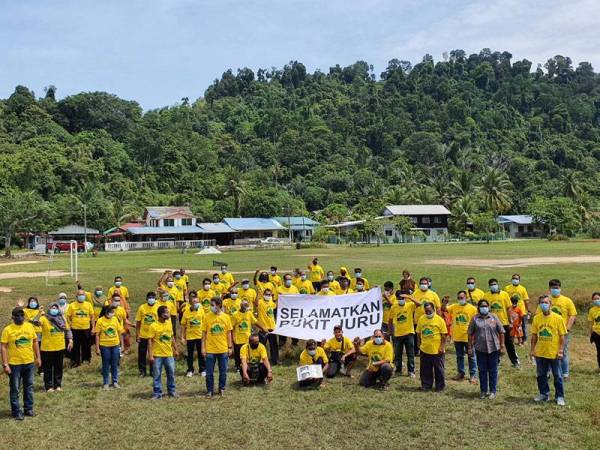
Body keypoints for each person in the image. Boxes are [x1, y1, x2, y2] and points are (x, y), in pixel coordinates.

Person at [1, 307, 41, 420]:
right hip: (14, 365)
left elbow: (35, 342)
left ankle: (28, 409)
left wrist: (38, 357)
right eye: (17, 316)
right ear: (13, 317)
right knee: (15, 388)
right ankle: (16, 411)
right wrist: (5, 364)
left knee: (29, 387)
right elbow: (3, 347)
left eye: (22, 315)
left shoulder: (29, 326)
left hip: (29, 363)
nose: (20, 318)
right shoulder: (7, 330)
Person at [530, 295, 567, 406]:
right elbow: (534, 336)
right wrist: (532, 350)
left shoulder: (558, 318)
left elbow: (562, 337)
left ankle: (559, 396)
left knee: (558, 375)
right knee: (541, 375)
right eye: (541, 302)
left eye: (546, 302)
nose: (544, 304)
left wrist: (560, 350)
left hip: (554, 353)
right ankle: (543, 394)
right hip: (540, 352)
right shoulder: (537, 318)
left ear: (550, 304)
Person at [468, 299, 505, 399]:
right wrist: (470, 347)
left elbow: (501, 332)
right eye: (481, 306)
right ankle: (483, 390)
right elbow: (470, 333)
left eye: (485, 306)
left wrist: (502, 346)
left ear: (488, 307)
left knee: (493, 370)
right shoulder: (475, 319)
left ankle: (493, 391)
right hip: (480, 349)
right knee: (482, 370)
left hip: (493, 348)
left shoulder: (494, 317)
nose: (483, 308)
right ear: (478, 308)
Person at [544, 279, 577, 381]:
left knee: (563, 352)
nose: (555, 290)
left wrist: (567, 328)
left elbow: (572, 315)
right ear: (549, 289)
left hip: (563, 331)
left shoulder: (567, 300)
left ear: (560, 288)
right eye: (553, 288)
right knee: (548, 352)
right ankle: (548, 372)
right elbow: (539, 314)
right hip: (549, 331)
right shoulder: (546, 300)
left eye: (557, 288)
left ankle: (565, 374)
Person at [483, 278, 519, 368]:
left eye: (495, 284)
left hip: (504, 322)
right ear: (489, 286)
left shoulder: (504, 294)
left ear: (498, 284)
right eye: (491, 285)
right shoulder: (486, 296)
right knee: (494, 343)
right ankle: (496, 361)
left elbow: (509, 308)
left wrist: (510, 321)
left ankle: (515, 361)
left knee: (509, 343)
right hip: (492, 323)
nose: (493, 286)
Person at [201, 297, 233, 397]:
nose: (211, 307)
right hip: (210, 350)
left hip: (223, 349)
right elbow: (204, 334)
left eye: (213, 304)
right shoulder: (207, 317)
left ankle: (221, 388)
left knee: (223, 372)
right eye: (211, 304)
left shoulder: (226, 317)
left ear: (219, 305)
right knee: (209, 372)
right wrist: (203, 348)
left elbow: (229, 333)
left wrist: (230, 347)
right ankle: (210, 390)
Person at [39, 302, 73, 392]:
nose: (54, 309)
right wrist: (39, 313)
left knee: (58, 367)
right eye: (52, 308)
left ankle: (58, 385)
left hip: (59, 347)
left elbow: (67, 329)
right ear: (49, 309)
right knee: (48, 368)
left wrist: (70, 340)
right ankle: (49, 386)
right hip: (47, 348)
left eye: (56, 308)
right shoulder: (44, 318)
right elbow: (36, 323)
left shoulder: (62, 318)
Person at [148, 306, 179, 400]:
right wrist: (150, 355)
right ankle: (157, 393)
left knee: (171, 373)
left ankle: (172, 391)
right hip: (157, 355)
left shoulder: (169, 324)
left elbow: (172, 337)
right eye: (167, 313)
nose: (169, 314)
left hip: (169, 354)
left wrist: (176, 349)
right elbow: (149, 341)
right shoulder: (153, 326)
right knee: (157, 375)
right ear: (162, 314)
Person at [447, 291, 478, 383]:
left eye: (462, 297)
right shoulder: (454, 306)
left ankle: (473, 375)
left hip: (468, 337)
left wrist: (474, 336)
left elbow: (475, 323)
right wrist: (445, 301)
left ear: (466, 297)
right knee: (459, 356)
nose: (460, 299)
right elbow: (444, 309)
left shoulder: (472, 309)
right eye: (459, 298)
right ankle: (461, 373)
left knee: (471, 356)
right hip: (457, 337)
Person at [416, 302, 447, 391]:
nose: (428, 313)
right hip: (425, 349)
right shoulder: (422, 318)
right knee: (425, 369)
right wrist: (418, 343)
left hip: (437, 350)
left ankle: (440, 387)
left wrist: (442, 347)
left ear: (434, 309)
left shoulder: (439, 320)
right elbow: (418, 332)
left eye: (429, 311)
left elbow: (444, 335)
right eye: (426, 311)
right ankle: (426, 385)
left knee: (439, 370)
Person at [388, 290, 419, 377]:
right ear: (397, 298)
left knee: (411, 354)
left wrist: (409, 297)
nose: (401, 299)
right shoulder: (394, 307)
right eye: (399, 298)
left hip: (409, 333)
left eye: (403, 298)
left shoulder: (410, 305)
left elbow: (419, 304)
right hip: (397, 334)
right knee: (398, 354)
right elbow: (390, 321)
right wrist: (391, 332)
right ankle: (398, 370)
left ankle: (411, 371)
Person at [94, 305, 124, 390]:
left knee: (115, 364)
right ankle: (106, 383)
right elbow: (97, 335)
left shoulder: (115, 319)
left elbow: (119, 332)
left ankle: (115, 382)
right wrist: (97, 348)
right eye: (110, 312)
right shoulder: (100, 321)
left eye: (112, 312)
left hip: (115, 345)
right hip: (104, 346)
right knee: (106, 364)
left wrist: (122, 345)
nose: (111, 314)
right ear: (105, 312)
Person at [66, 289, 95, 367]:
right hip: (75, 329)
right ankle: (75, 361)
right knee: (75, 346)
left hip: (86, 328)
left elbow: (92, 317)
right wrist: (70, 324)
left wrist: (93, 328)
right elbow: (68, 316)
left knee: (86, 345)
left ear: (85, 296)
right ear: (76, 296)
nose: (81, 296)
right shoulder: (72, 305)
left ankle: (86, 360)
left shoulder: (88, 305)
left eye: (82, 295)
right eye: (79, 295)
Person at [181, 296, 206, 377]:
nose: (196, 304)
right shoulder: (186, 312)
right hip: (190, 337)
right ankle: (190, 370)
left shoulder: (201, 311)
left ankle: (202, 369)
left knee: (201, 354)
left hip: (200, 336)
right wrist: (182, 337)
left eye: (197, 302)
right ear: (190, 303)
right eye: (195, 302)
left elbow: (205, 323)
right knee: (190, 354)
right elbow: (183, 326)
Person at [135, 292, 158, 377]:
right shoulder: (142, 307)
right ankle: (142, 371)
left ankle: (153, 371)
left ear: (155, 298)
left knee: (153, 354)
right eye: (149, 297)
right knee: (142, 354)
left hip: (154, 336)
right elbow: (138, 322)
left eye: (152, 297)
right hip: (143, 335)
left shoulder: (157, 307)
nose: (151, 299)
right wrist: (137, 335)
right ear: (146, 298)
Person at [231, 300, 257, 370]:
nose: (246, 307)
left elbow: (255, 322)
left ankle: (247, 366)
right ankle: (238, 366)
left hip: (247, 338)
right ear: (241, 306)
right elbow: (232, 328)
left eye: (247, 305)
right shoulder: (235, 314)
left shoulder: (249, 313)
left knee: (247, 353)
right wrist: (233, 338)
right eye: (245, 306)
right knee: (238, 354)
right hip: (238, 338)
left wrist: (263, 328)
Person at [256, 288, 279, 366]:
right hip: (263, 328)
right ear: (263, 295)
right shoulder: (260, 302)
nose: (268, 296)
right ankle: (260, 361)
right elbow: (256, 303)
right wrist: (257, 294)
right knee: (262, 346)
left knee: (274, 345)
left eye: (269, 295)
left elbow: (276, 306)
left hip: (272, 327)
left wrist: (280, 297)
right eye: (266, 294)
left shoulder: (271, 302)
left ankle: (275, 360)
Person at [504, 274, 530, 342]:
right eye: (513, 278)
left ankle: (524, 339)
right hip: (511, 311)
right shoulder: (507, 288)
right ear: (511, 279)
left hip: (521, 310)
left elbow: (526, 300)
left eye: (516, 279)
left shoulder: (523, 288)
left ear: (519, 280)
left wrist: (527, 310)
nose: (515, 280)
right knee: (510, 326)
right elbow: (505, 299)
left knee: (522, 326)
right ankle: (510, 339)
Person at [588, 292, 600, 372]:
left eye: (598, 298)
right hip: (597, 334)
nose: (596, 300)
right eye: (594, 299)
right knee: (599, 352)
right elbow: (590, 323)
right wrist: (590, 333)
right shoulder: (592, 310)